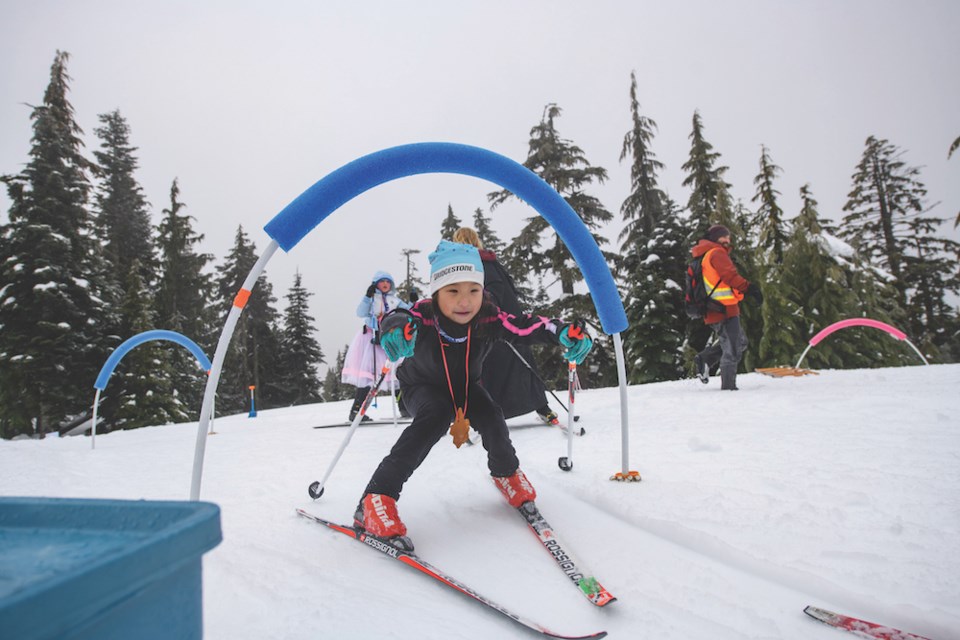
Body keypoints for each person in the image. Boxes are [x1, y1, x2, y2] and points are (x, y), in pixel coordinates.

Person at [353, 240, 593, 551]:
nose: (465, 301)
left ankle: (506, 472)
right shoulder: (423, 316)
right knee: (435, 416)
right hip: (421, 387)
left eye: (473, 290)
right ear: (437, 292)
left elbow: (524, 326)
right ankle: (375, 498)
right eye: (453, 291)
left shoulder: (488, 316)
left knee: (492, 416)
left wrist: (560, 331)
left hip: (466, 387)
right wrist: (395, 329)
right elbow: (397, 318)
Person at [451, 227, 558, 424]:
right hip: (509, 321)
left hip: (496, 322)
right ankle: (541, 407)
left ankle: (495, 413)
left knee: (495, 367)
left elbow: (494, 291)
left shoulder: (478, 265)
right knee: (517, 364)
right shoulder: (488, 262)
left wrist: (485, 310)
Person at [692, 225, 763, 391]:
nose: (727, 241)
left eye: (728, 238)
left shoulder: (707, 254)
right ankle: (729, 388)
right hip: (722, 309)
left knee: (739, 342)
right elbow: (730, 276)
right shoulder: (716, 253)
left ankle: (705, 359)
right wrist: (750, 288)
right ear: (715, 238)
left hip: (717, 308)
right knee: (732, 348)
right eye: (723, 237)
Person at [340, 271, 411, 421]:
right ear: (376, 284)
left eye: (387, 281)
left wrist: (413, 302)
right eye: (381, 281)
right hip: (371, 340)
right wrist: (367, 297)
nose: (385, 284)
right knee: (369, 375)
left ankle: (404, 408)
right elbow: (360, 313)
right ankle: (357, 410)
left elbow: (408, 312)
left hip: (389, 339)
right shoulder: (372, 299)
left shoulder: (394, 300)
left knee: (396, 372)